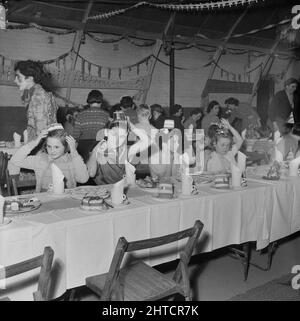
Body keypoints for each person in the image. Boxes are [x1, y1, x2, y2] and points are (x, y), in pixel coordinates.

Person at [8, 126, 89, 192]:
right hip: (43, 201)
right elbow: (15, 160)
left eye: (56, 147)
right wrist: (35, 142)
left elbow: (83, 179)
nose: (52, 151)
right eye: (49, 146)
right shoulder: (40, 159)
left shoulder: (73, 160)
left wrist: (74, 153)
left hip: (67, 201)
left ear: (65, 147)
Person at [87, 118, 150, 185]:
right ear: (107, 133)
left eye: (122, 136)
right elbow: (91, 173)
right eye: (114, 134)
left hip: (123, 191)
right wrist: (95, 150)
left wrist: (130, 125)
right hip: (104, 192)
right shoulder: (98, 150)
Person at [14, 60, 58, 142]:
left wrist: (32, 148)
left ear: (30, 78)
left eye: (19, 77)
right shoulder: (37, 92)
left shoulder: (38, 97)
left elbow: (41, 130)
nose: (15, 80)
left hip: (42, 145)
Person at [72, 90, 110, 162]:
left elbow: (75, 135)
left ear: (88, 101)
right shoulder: (106, 115)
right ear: (101, 101)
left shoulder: (80, 115)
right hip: (100, 146)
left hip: (83, 148)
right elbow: (108, 134)